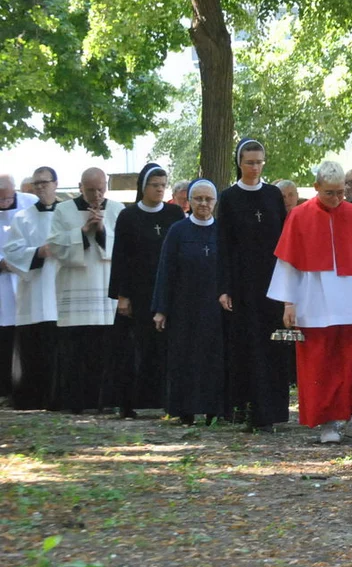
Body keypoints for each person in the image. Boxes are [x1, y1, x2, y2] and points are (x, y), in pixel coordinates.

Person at [269, 161, 352, 444]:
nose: (336, 199)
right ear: (316, 187)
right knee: (320, 363)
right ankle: (328, 421)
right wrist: (288, 303)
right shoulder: (298, 215)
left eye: (341, 193)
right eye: (330, 193)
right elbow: (288, 262)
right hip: (313, 298)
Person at [217, 138, 290, 432]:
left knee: (274, 346)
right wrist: (224, 287)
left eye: (259, 162)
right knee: (248, 347)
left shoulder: (273, 195)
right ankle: (249, 410)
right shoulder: (230, 197)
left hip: (273, 284)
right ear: (239, 163)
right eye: (250, 162)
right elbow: (223, 245)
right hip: (243, 284)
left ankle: (273, 411)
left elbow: (285, 241)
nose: (255, 167)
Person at [107, 163, 186, 418]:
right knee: (136, 349)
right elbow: (120, 257)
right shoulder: (129, 216)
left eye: (163, 185)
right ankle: (129, 402)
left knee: (165, 348)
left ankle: (167, 400)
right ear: (143, 187)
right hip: (138, 292)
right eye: (155, 186)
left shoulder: (174, 214)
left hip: (168, 292)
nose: (160, 190)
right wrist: (122, 296)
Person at [151, 179, 228, 425]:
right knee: (185, 358)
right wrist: (161, 309)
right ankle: (185, 410)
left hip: (215, 309)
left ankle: (213, 409)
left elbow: (231, 269)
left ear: (215, 202)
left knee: (213, 359)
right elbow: (166, 271)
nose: (204, 204)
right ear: (190, 201)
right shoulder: (178, 231)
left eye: (208, 199)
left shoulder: (223, 231)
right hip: (184, 307)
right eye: (198, 199)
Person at [47, 167, 123, 412]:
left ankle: (103, 402)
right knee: (75, 351)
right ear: (80, 187)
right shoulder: (63, 209)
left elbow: (123, 248)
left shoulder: (117, 209)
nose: (96, 195)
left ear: (106, 186)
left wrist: (101, 231)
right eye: (91, 190)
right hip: (74, 289)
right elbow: (55, 246)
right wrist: (82, 231)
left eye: (100, 189)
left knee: (103, 351)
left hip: (105, 292)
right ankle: (75, 402)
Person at [2, 167, 61, 409]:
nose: (40, 187)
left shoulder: (69, 214)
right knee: (35, 349)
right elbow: (12, 251)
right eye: (36, 184)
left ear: (55, 184)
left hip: (63, 287)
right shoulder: (23, 217)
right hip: (35, 290)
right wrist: (38, 252)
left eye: (44, 183)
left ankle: (60, 397)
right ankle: (31, 398)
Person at [0, 174, 37, 398]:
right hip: (2, 280)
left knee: (25, 335)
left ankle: (25, 386)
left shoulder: (29, 204)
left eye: (6, 199)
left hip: (24, 276)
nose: (4, 204)